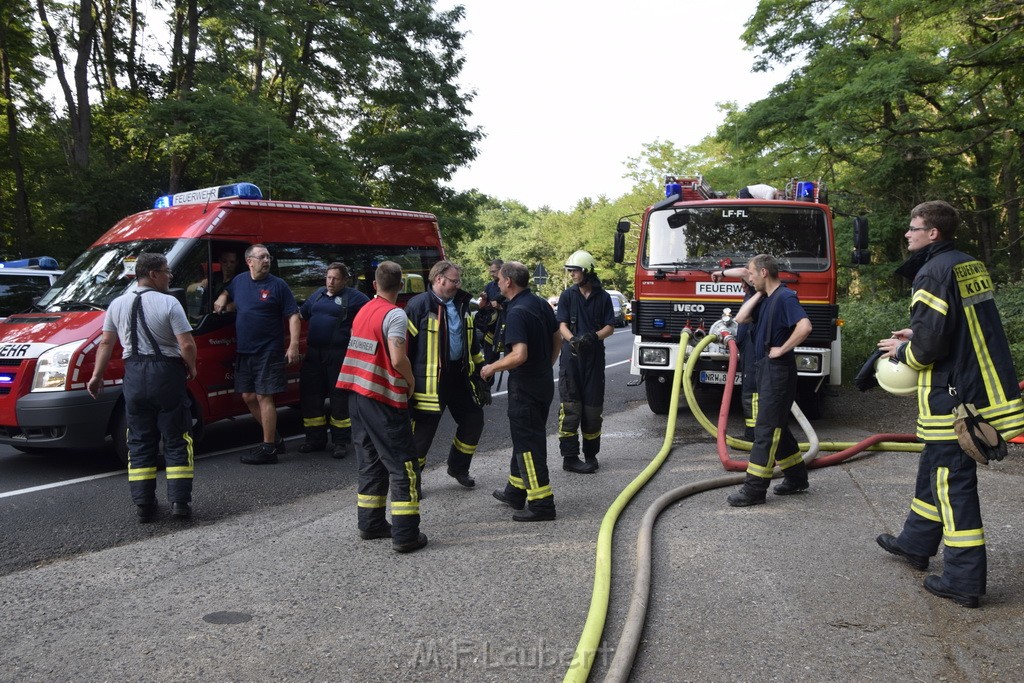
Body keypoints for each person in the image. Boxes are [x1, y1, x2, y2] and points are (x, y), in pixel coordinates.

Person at [875, 201, 1024, 608]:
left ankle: (963, 579)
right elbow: (958, 325)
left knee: (951, 480)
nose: (908, 234)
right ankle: (915, 542)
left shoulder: (932, 271)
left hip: (954, 393)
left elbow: (930, 348)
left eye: (913, 228)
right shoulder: (967, 264)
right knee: (934, 467)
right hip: (977, 382)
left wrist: (904, 350)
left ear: (932, 233)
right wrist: (918, 330)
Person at [87, 253, 198, 521]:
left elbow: (105, 344)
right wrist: (192, 367)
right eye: (167, 271)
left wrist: (96, 376)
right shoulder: (169, 303)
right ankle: (179, 504)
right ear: (153, 274)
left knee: (139, 442)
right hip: (166, 375)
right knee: (176, 438)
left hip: (134, 376)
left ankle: (144, 506)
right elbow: (186, 344)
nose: (170, 276)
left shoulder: (116, 304)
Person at [336, 261, 427, 553]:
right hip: (383, 399)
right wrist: (411, 380)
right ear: (401, 286)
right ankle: (406, 535)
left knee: (371, 461)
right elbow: (398, 358)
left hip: (357, 396)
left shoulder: (364, 309)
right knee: (404, 466)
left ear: (374, 285)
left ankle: (371, 523)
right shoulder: (395, 315)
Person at [726, 253, 812, 507]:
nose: (748, 278)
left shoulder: (785, 297)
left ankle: (754, 489)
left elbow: (804, 326)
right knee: (777, 426)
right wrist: (758, 294)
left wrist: (782, 349)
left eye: (751, 273)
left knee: (765, 429)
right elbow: (740, 319)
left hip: (778, 370)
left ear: (764, 272)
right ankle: (796, 478)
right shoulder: (766, 298)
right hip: (765, 367)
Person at [481, 261, 561, 521]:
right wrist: (545, 365)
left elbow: (518, 355)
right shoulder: (540, 303)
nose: (497, 282)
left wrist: (492, 367)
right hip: (543, 382)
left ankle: (541, 504)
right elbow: (556, 337)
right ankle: (515, 491)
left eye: (499, 279)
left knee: (528, 445)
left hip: (525, 387)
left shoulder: (516, 312)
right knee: (525, 437)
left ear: (508, 282)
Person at [214, 244, 300, 465]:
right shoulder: (240, 281)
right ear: (249, 261)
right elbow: (228, 290)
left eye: (268, 257)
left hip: (268, 350)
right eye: (261, 257)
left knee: (264, 396)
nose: (267, 260)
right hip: (245, 350)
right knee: (248, 396)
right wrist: (223, 298)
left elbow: (293, 315)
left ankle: (269, 448)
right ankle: (275, 438)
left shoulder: (278, 285)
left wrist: (293, 346)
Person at [405, 260, 486, 489]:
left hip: (460, 377)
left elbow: (472, 345)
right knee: (422, 435)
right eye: (454, 281)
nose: (458, 285)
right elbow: (405, 349)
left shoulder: (462, 303)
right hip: (429, 383)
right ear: (439, 279)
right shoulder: (418, 305)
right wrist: (405, 382)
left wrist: (480, 371)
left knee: (473, 420)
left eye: (459, 281)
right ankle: (411, 482)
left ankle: (458, 467)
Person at [298, 262, 369, 458]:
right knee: (311, 397)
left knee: (339, 400)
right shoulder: (318, 295)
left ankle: (340, 442)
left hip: (338, 356)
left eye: (335, 278)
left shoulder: (355, 297)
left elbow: (371, 316)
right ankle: (315, 439)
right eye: (328, 277)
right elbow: (300, 314)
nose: (330, 281)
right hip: (313, 355)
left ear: (345, 280)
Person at [556, 250, 615, 474]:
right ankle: (570, 458)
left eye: (575, 271)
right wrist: (574, 340)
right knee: (571, 409)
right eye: (570, 271)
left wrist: (593, 337)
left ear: (587, 271)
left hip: (594, 360)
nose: (572, 275)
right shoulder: (567, 296)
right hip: (571, 361)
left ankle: (591, 455)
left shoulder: (603, 297)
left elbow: (610, 326)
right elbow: (561, 324)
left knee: (592, 410)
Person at [711, 266, 759, 440]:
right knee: (749, 390)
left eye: (746, 281)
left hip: (754, 347)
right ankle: (755, 432)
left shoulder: (758, 291)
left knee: (752, 391)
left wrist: (720, 273)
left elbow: (744, 272)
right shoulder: (752, 294)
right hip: (748, 346)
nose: (743, 285)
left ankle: (753, 434)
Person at [475, 258, 505, 365]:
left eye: (493, 271)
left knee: (513, 364)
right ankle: (487, 381)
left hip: (507, 329)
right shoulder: (490, 286)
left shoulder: (510, 284)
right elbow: (482, 307)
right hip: (491, 332)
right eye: (490, 272)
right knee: (488, 364)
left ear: (501, 269)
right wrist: (484, 299)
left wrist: (500, 306)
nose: (491, 274)